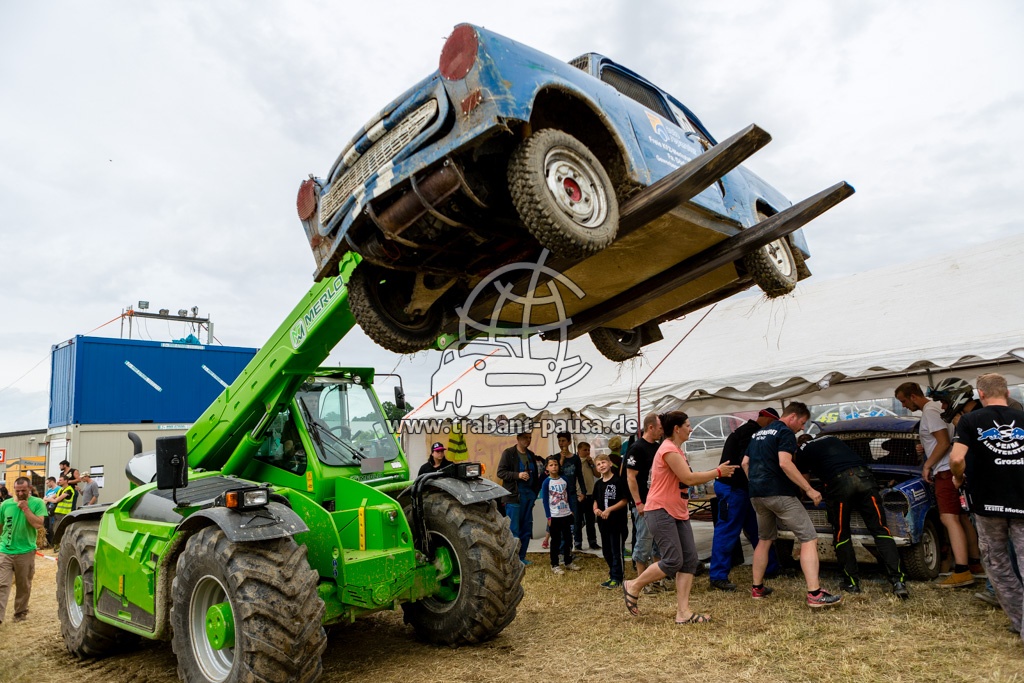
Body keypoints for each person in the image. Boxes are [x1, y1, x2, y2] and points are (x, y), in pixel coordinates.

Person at [621, 411, 738, 623]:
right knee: (673, 560)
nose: (691, 429)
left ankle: (683, 613)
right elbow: (688, 478)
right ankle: (634, 585)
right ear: (676, 428)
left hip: (678, 510)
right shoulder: (668, 449)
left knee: (689, 561)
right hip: (661, 510)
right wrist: (718, 472)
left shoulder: (676, 450)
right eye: (688, 425)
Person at [743, 402, 842, 608]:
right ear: (793, 417)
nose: (802, 428)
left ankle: (757, 588)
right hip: (779, 493)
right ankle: (815, 593)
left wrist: (755, 483)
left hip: (756, 494)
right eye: (802, 423)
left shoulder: (758, 434)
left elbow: (745, 463)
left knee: (764, 539)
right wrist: (809, 489)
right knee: (809, 538)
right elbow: (785, 463)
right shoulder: (785, 432)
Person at [949, 373, 1024, 645]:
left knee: (998, 566)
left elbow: (957, 458)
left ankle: (1020, 622)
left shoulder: (970, 420)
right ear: (1007, 392)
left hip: (988, 504)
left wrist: (958, 477)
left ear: (980, 394)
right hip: (1022, 500)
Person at [796, 434, 910, 598]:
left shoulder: (802, 449)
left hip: (840, 485)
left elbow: (804, 480)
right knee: (881, 530)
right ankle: (898, 582)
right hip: (865, 478)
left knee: (842, 534)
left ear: (800, 443)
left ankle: (851, 583)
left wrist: (805, 494)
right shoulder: (832, 439)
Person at [902, 379, 982, 585]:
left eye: (903, 401)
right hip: (953, 469)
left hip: (945, 471)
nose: (903, 405)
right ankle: (974, 562)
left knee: (949, 519)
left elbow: (944, 442)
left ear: (913, 396)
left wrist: (927, 465)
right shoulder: (939, 409)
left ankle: (962, 570)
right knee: (962, 518)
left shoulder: (930, 410)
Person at [708, 407, 782, 591]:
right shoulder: (750, 432)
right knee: (727, 530)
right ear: (768, 420)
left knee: (758, 530)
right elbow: (747, 461)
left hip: (743, 489)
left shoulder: (750, 431)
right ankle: (717, 576)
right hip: (732, 487)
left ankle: (770, 567)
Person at [0, 477, 46, 624]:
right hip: (5, 550)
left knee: (23, 584)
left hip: (26, 551)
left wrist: (25, 508)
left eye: (23, 491)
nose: (20, 493)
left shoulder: (37, 503)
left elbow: (38, 524)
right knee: (2, 584)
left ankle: (20, 613)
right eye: (17, 491)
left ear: (30, 489)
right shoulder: (5, 504)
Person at [625, 413, 663, 583]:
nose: (662, 431)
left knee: (658, 543)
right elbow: (630, 477)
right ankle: (641, 581)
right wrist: (638, 503)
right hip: (644, 504)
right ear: (650, 427)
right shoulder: (637, 448)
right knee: (644, 542)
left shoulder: (658, 447)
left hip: (658, 503)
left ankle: (657, 579)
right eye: (660, 428)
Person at [497, 432, 544, 565]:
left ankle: (522, 557)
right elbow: (500, 472)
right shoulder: (509, 453)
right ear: (517, 438)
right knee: (514, 530)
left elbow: (536, 477)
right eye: (525, 438)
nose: (528, 440)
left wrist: (534, 494)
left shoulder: (531, 455)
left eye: (530, 438)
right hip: (514, 497)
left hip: (529, 496)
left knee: (526, 529)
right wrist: (518, 475)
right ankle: (513, 559)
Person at [592, 453, 628, 588]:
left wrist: (609, 510)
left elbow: (624, 500)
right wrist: (596, 509)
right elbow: (595, 500)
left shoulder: (618, 481)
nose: (601, 465)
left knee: (616, 551)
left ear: (610, 463)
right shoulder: (598, 484)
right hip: (603, 524)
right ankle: (612, 574)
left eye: (603, 462)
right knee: (606, 551)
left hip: (617, 523)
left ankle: (618, 577)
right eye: (598, 464)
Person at [541, 457, 580, 574]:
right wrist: (548, 516)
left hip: (566, 514)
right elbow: (545, 501)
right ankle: (554, 564)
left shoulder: (564, 479)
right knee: (556, 541)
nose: (554, 467)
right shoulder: (546, 482)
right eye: (551, 465)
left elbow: (569, 495)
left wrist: (571, 510)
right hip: (554, 516)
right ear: (547, 468)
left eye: (556, 464)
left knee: (568, 539)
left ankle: (568, 561)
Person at [552, 432, 586, 553]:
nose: (561, 443)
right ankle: (565, 547)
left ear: (569, 442)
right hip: (560, 494)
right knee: (563, 520)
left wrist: (583, 492)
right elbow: (555, 473)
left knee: (576, 518)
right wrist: (561, 459)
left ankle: (577, 543)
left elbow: (579, 476)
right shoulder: (555, 457)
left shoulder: (575, 458)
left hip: (572, 493)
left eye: (563, 441)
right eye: (559, 441)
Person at [576, 441, 600, 550]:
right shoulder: (576, 461)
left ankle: (592, 541)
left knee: (590, 520)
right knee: (578, 521)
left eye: (588, 450)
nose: (587, 452)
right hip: (579, 494)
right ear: (579, 450)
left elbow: (598, 475)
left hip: (590, 494)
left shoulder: (590, 462)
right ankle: (578, 542)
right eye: (584, 450)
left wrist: (592, 464)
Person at [42, 477, 60, 547]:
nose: (47, 485)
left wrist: (48, 499)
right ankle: (48, 543)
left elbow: (55, 498)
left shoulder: (59, 489)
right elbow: (44, 500)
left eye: (47, 483)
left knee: (51, 527)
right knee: (46, 527)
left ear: (52, 482)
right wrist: (48, 499)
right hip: (47, 510)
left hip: (54, 510)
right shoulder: (48, 491)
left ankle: (53, 543)